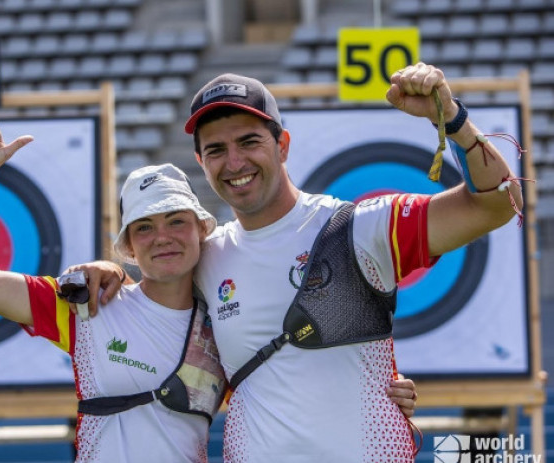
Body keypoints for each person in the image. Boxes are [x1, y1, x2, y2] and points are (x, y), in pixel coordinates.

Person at [80, 62, 525, 462]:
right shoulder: (206, 256)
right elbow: (155, 296)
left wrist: (454, 121)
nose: (234, 162)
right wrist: (113, 270)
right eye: (216, 150)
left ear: (283, 145)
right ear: (201, 161)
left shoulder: (360, 227)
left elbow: (496, 204)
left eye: (249, 141)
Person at [0, 127, 417, 462]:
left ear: (202, 231)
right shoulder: (87, 306)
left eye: (176, 221)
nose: (163, 237)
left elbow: (296, 379)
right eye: (144, 228)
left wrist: (382, 392)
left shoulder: (226, 328)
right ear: (128, 247)